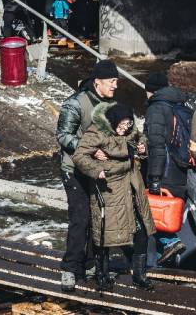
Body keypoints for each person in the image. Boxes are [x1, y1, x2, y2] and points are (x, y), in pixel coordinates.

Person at [73, 102, 156, 292]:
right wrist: (96, 169)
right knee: (106, 235)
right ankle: (102, 274)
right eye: (121, 125)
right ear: (112, 121)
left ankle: (139, 276)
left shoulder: (130, 132)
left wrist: (143, 147)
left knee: (142, 231)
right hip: (109, 189)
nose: (124, 129)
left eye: (127, 125)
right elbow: (79, 156)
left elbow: (140, 137)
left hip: (132, 187)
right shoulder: (97, 133)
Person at [55, 59, 120, 292]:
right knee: (80, 219)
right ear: (97, 82)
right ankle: (70, 268)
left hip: (98, 171)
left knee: (98, 218)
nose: (115, 86)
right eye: (111, 81)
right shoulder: (75, 103)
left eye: (116, 81)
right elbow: (63, 136)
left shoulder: (111, 104)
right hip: (74, 170)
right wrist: (91, 149)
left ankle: (92, 264)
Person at [142, 71, 190, 264]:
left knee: (150, 213)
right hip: (181, 170)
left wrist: (153, 177)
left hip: (164, 171)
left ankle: (169, 244)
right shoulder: (182, 105)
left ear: (150, 91)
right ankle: (171, 262)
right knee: (170, 218)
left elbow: (157, 146)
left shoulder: (156, 109)